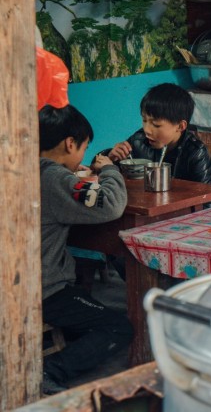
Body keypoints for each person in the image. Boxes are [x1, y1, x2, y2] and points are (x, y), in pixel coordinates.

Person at [38, 105, 132, 395]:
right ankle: (46, 371)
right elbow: (112, 204)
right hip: (44, 290)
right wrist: (109, 170)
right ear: (69, 143)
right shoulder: (55, 179)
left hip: (21, 282)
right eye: (84, 148)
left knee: (85, 305)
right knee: (119, 327)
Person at [104, 83, 211, 184]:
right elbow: (107, 174)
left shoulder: (195, 153)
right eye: (144, 120)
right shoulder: (138, 140)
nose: (147, 129)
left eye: (156, 125)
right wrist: (110, 157)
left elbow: (209, 199)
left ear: (181, 126)